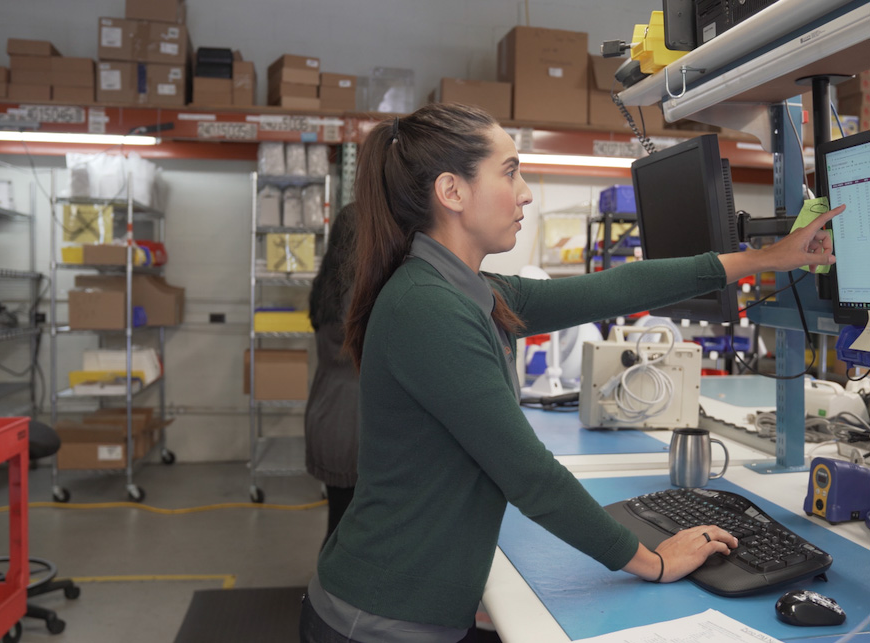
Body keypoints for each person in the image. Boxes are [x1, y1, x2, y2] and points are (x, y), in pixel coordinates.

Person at [299, 103, 841, 643]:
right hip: (377, 623)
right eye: (510, 172)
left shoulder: (470, 291)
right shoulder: (428, 307)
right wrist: (653, 561)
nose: (526, 193)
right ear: (452, 191)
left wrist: (767, 257)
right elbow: (531, 477)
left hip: (410, 612)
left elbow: (615, 289)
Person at [305, 203, 360, 548]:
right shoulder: (358, 293)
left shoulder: (326, 286)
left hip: (326, 411)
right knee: (348, 534)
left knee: (339, 524)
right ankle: (329, 582)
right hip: (351, 420)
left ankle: (327, 579)